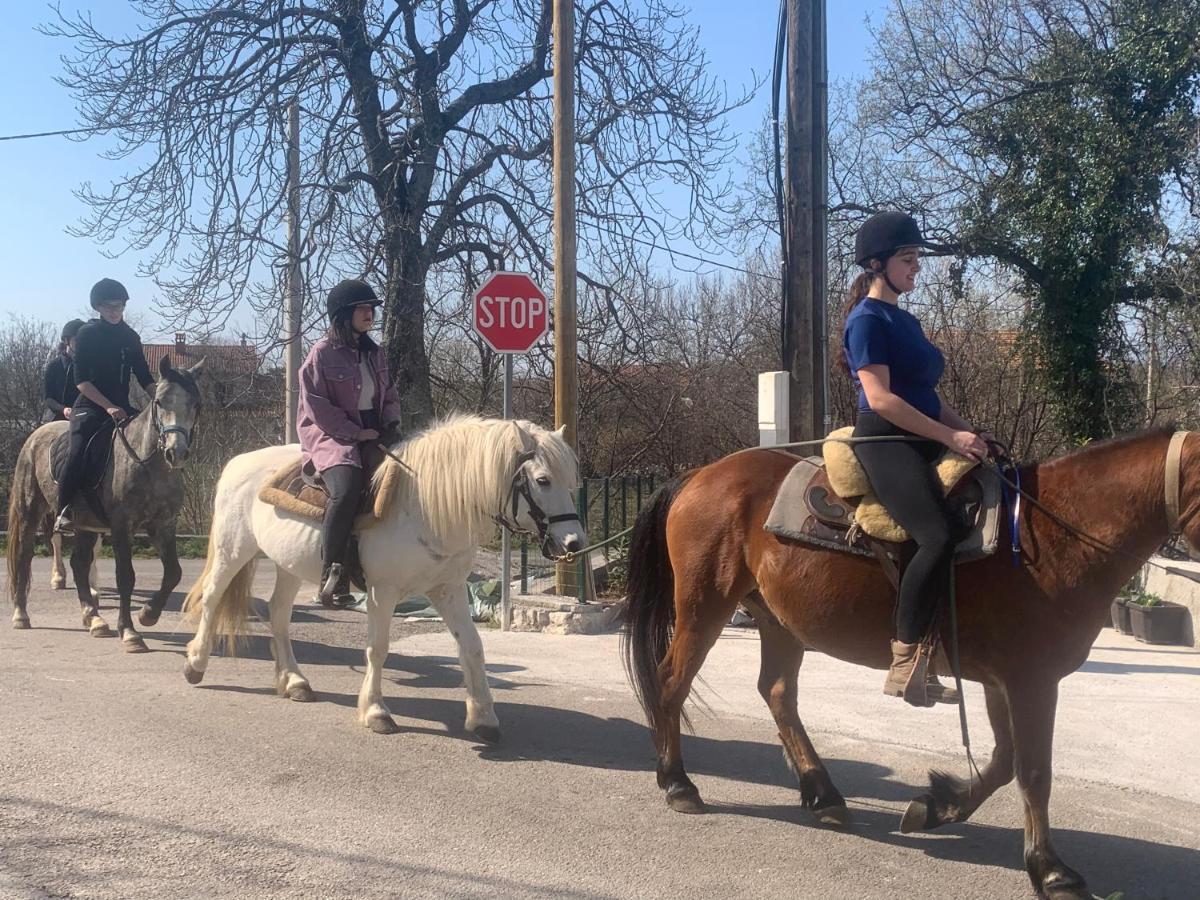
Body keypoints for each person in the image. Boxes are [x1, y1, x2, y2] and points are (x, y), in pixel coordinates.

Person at [841, 212, 991, 707]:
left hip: (923, 434)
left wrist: (965, 431)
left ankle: (951, 642)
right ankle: (905, 661)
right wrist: (948, 433)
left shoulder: (908, 320)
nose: (916, 269)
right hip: (887, 442)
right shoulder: (866, 319)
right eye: (909, 260)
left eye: (917, 260)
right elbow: (881, 399)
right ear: (878, 265)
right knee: (938, 533)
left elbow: (928, 394)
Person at [298, 279, 402, 608]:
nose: (370, 313)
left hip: (372, 428)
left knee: (402, 477)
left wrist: (390, 423)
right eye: (363, 308)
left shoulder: (375, 353)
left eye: (371, 308)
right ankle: (333, 573)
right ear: (343, 315)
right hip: (330, 433)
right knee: (347, 486)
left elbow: (389, 395)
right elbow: (317, 407)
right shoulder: (320, 354)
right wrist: (355, 434)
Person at [54, 279, 154, 533]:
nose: (114, 311)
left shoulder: (131, 337)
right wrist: (108, 406)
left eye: (118, 306)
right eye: (108, 306)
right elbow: (81, 381)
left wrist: (162, 398)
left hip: (122, 408)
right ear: (98, 307)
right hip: (89, 405)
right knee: (77, 452)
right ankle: (64, 509)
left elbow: (144, 376)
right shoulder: (88, 334)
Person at [43, 318, 86, 422]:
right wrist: (63, 409)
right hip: (58, 416)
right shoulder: (54, 366)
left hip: (84, 414)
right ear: (67, 341)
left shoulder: (89, 365)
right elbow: (49, 398)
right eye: (77, 340)